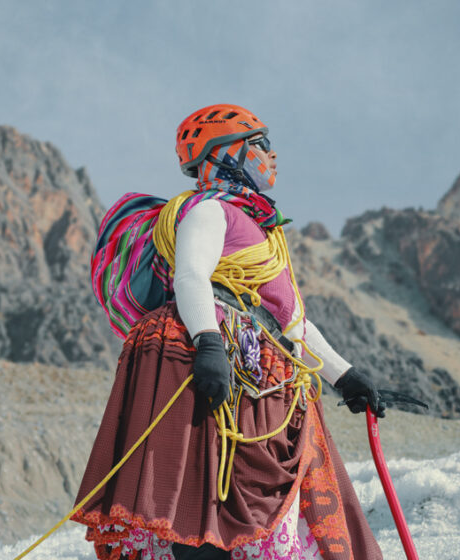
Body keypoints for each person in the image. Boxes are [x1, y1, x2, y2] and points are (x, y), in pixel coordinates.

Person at [73, 104, 384, 560]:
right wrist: (209, 343)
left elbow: (292, 321)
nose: (273, 155)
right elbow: (192, 276)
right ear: (224, 153)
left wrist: (346, 377)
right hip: (218, 360)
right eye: (261, 143)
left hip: (261, 371)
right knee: (200, 500)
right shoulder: (209, 211)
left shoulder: (263, 233)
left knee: (223, 501)